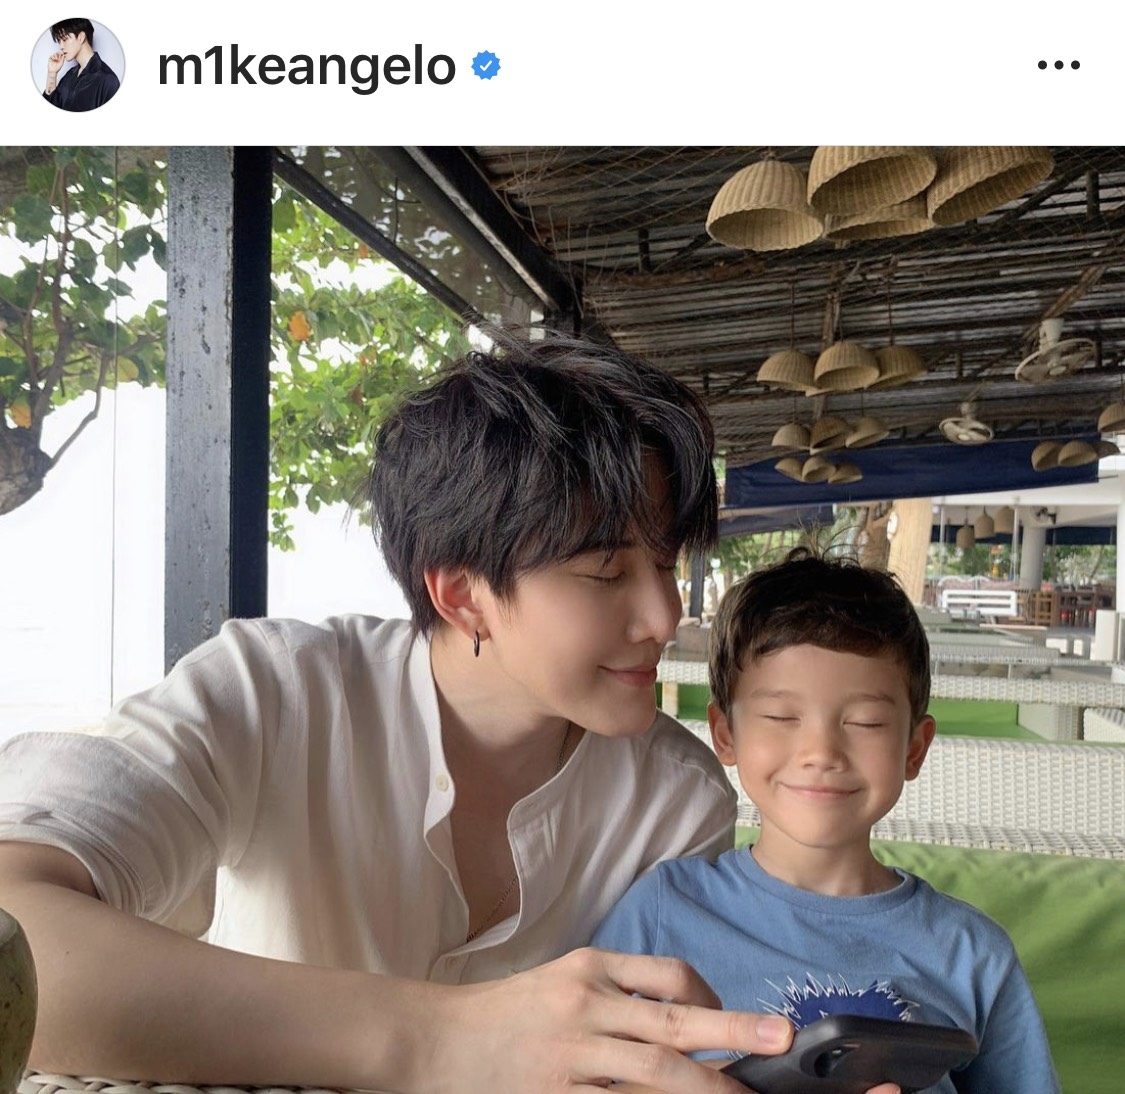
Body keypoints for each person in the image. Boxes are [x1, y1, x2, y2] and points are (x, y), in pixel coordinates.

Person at [0, 333, 803, 1093]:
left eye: (665, 563)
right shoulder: (275, 692)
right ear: (462, 595)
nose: (664, 616)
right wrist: (444, 1037)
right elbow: (16, 920)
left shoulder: (677, 800)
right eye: (606, 572)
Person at [592, 550, 1060, 1092]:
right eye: (780, 716)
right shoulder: (661, 911)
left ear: (914, 748)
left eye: (865, 721)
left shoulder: (973, 956)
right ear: (725, 733)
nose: (821, 751)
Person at [42, 18, 120, 112]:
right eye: (59, 41)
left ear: (81, 37)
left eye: (64, 39)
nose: (61, 46)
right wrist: (52, 74)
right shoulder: (69, 76)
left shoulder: (108, 80)